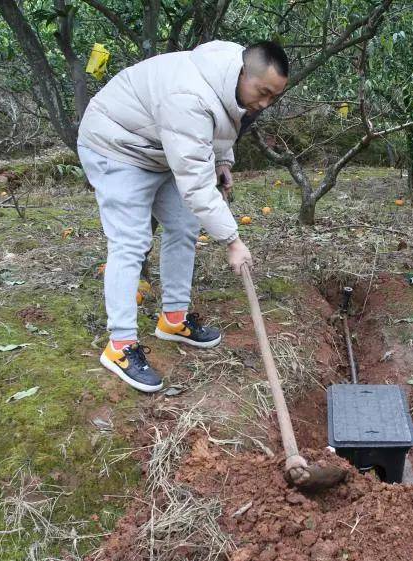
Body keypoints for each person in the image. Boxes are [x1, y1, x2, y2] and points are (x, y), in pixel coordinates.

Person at [77, 40, 288, 392]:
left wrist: (223, 161)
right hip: (117, 145)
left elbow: (223, 121)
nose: (264, 103)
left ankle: (173, 319)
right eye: (263, 92)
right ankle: (120, 346)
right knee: (131, 242)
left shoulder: (230, 75)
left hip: (161, 147)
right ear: (242, 72)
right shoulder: (187, 98)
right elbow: (195, 184)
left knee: (184, 225)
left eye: (273, 97)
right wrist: (233, 241)